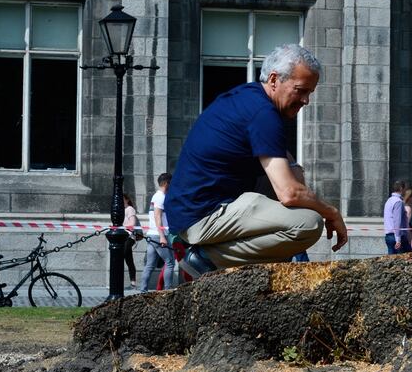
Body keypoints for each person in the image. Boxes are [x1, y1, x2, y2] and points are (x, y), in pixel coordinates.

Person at [165, 44, 348, 276]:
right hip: (202, 215)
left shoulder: (249, 98)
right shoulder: (264, 114)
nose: (306, 100)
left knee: (281, 192)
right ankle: (205, 259)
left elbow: (289, 172)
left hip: (190, 211)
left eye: (310, 92)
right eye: (301, 90)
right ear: (274, 79)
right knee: (308, 224)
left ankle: (220, 259)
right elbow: (290, 193)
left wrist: (294, 172)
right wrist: (331, 212)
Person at [141, 174, 176, 292]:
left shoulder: (156, 196)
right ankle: (168, 291)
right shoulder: (161, 197)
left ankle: (143, 291)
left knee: (149, 265)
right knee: (170, 263)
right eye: (172, 183)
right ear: (167, 183)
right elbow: (157, 216)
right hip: (159, 235)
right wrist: (162, 236)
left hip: (152, 234)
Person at [383, 181, 412, 254]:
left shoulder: (389, 200)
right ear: (401, 188)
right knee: (406, 259)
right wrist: (398, 240)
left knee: (391, 262)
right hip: (396, 237)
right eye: (405, 189)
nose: (405, 191)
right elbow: (397, 221)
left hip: (389, 236)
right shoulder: (398, 202)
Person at [122, 194, 140, 290]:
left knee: (125, 257)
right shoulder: (121, 210)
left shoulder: (130, 209)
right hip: (122, 236)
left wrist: (120, 226)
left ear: (127, 199)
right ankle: (132, 283)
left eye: (122, 199)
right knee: (128, 260)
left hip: (129, 236)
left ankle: (132, 283)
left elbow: (132, 224)